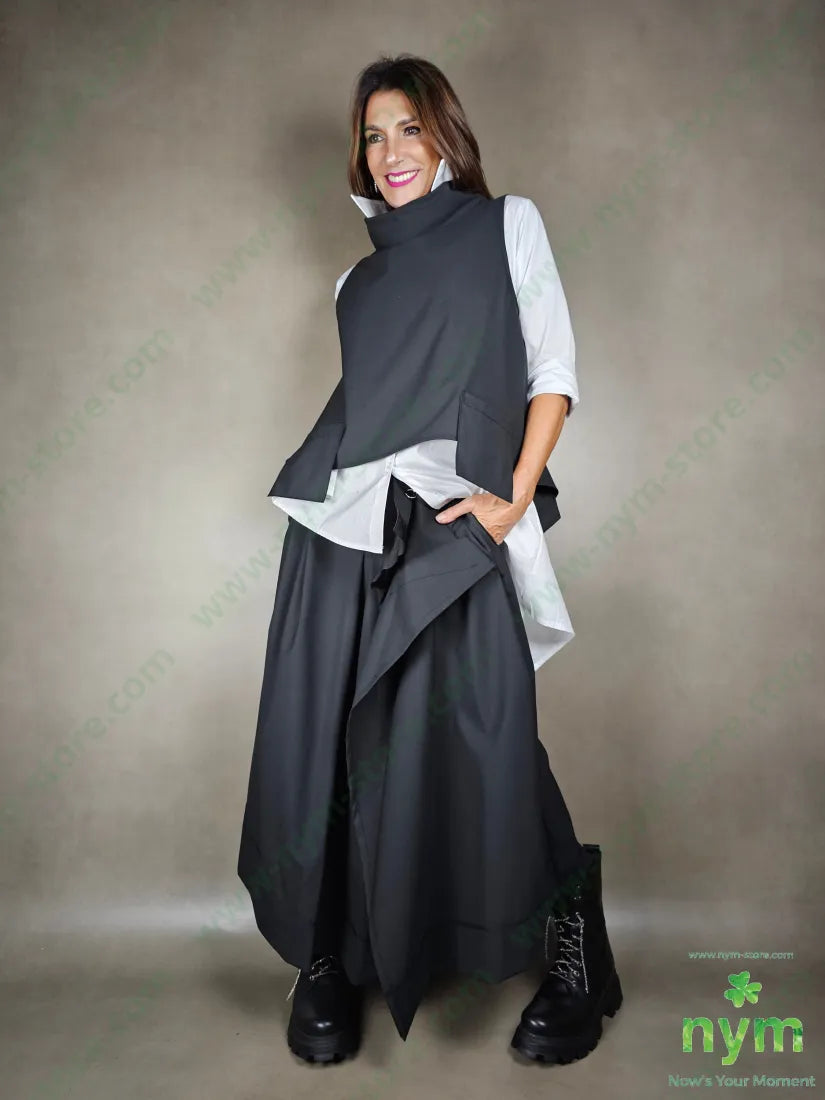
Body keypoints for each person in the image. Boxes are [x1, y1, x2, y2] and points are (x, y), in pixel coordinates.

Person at [237, 53, 623, 1066]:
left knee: (488, 735)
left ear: (446, 134)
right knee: (321, 736)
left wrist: (509, 501)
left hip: (456, 522)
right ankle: (327, 950)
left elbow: (552, 368)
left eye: (409, 127)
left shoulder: (508, 224)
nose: (390, 151)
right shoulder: (353, 282)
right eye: (373, 135)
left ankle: (577, 950)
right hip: (342, 528)